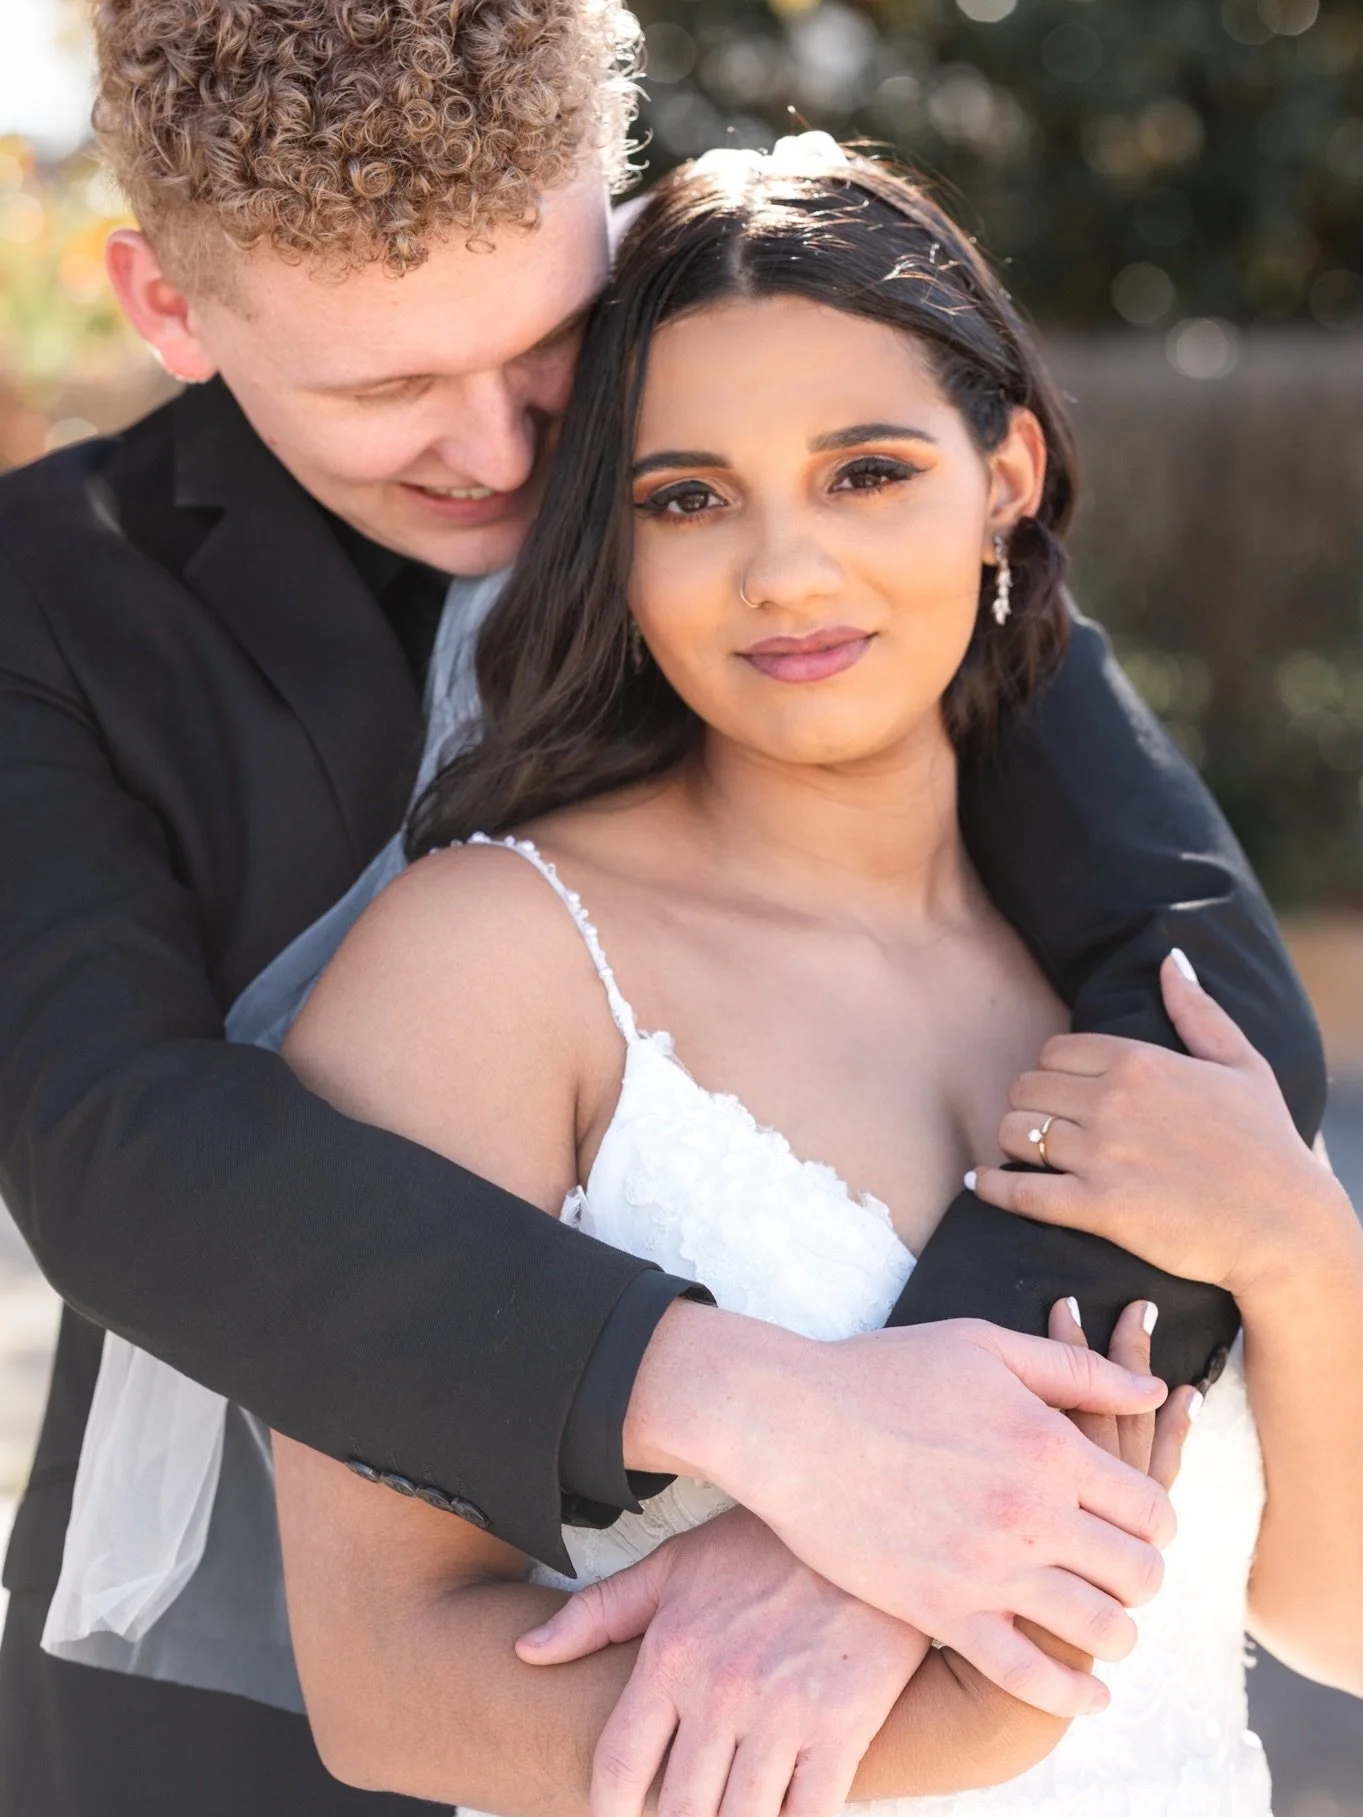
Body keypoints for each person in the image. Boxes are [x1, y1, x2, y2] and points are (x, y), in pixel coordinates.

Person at [0, 2, 1322, 1812]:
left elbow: (1188, 962)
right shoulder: (49, 608)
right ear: (165, 310)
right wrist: (769, 1420)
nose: (499, 447)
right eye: (383, 390)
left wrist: (917, 1511)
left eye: (547, 344)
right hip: (266, 1649)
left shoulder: (779, 430)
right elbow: (114, 1143)